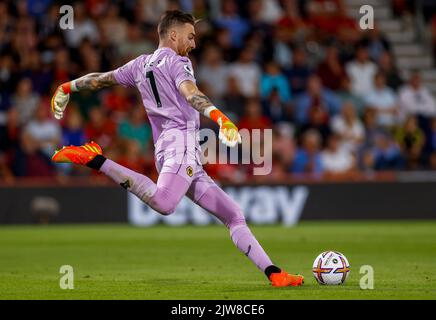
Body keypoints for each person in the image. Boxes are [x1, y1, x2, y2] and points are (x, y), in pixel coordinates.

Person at [50, 10, 303, 288]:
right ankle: (95, 159)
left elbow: (100, 79)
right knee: (164, 204)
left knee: (233, 215)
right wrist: (221, 118)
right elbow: (191, 93)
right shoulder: (178, 61)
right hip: (181, 146)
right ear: (174, 34)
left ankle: (274, 273)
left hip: (171, 150)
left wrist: (66, 87)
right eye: (190, 36)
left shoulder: (140, 64)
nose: (193, 43)